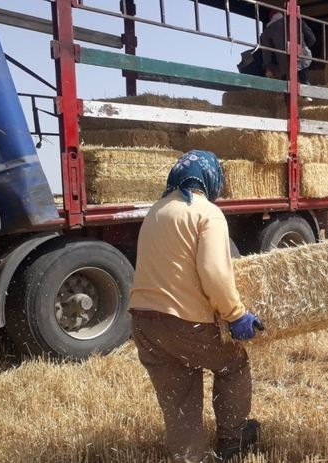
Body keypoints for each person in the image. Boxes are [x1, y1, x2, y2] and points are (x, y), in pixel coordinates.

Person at [129, 150, 265, 463]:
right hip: (185, 323)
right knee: (233, 365)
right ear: (211, 179)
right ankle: (233, 438)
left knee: (179, 397)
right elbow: (214, 272)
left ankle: (188, 457)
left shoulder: (156, 210)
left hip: (145, 324)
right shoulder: (207, 213)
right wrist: (236, 315)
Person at [259, 9, 316, 86]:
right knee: (304, 79)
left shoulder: (267, 32)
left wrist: (268, 66)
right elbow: (312, 38)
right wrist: (304, 47)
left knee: (286, 83)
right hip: (302, 56)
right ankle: (306, 92)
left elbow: (267, 54)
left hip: (285, 63)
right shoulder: (297, 21)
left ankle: (284, 94)